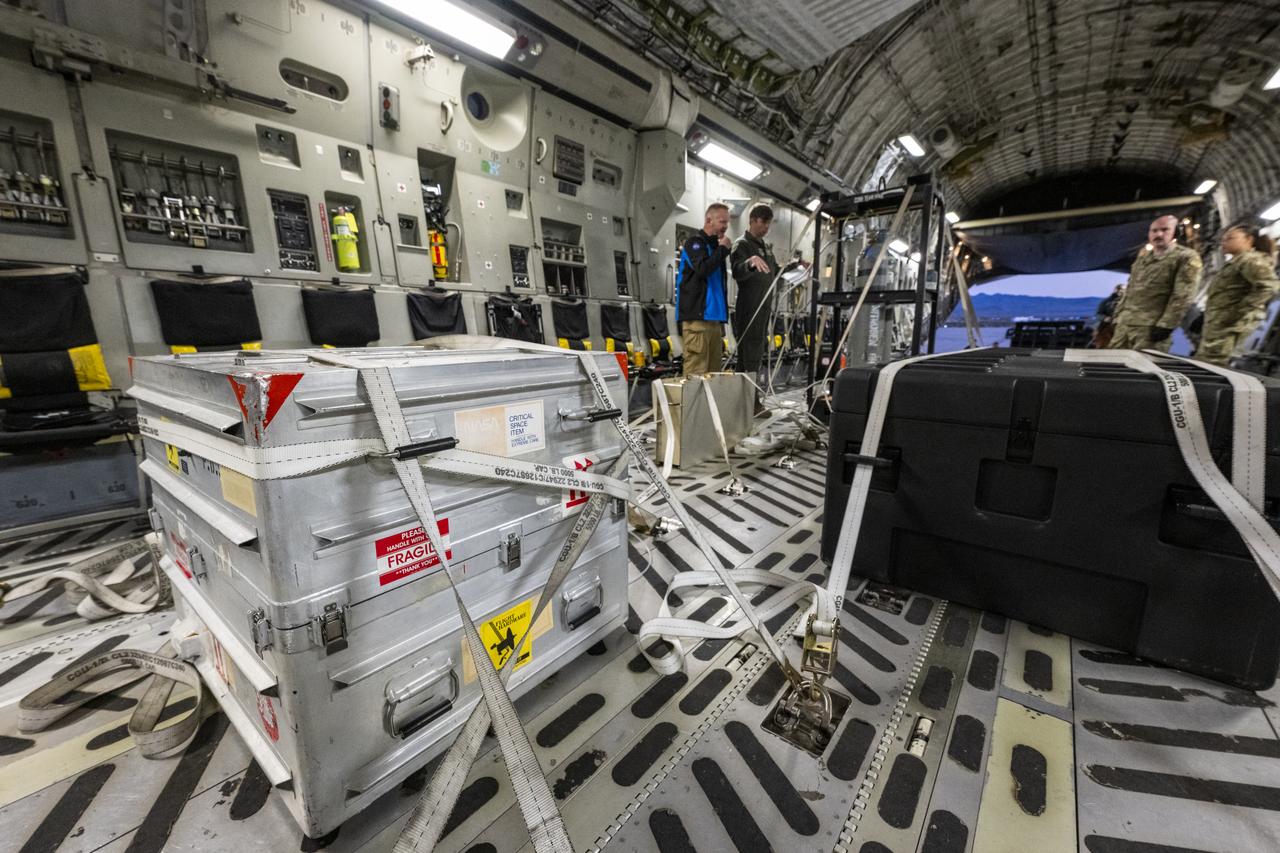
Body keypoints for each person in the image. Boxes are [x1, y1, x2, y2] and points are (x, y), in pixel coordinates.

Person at [1108, 215, 1202, 351]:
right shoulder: (1143, 259)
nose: (1158, 234)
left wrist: (1166, 325)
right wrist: (1117, 316)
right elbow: (1130, 290)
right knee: (1115, 362)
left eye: (1165, 230)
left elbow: (1183, 295)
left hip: (1151, 328)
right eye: (1154, 230)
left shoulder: (1185, 257)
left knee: (1145, 364)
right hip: (1124, 327)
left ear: (1176, 232)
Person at [1196, 223, 1279, 365]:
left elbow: (1269, 286)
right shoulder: (1237, 261)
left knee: (1216, 365)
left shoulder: (1250, 260)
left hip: (1231, 327)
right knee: (1208, 363)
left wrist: (1238, 311)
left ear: (1249, 240)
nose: (1224, 242)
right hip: (1221, 324)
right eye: (1223, 239)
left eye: (1230, 238)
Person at [676, 202, 731, 376]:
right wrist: (722, 249)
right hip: (697, 320)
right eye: (722, 222)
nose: (726, 226)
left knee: (714, 375)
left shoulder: (715, 248)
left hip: (714, 321)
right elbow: (703, 269)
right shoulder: (695, 244)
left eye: (727, 222)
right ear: (709, 220)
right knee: (696, 374)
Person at [730, 204, 780, 375]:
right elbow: (737, 271)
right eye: (763, 222)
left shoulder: (766, 248)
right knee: (748, 352)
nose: (766, 227)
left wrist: (796, 266)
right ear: (752, 220)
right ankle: (746, 388)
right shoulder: (742, 245)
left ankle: (752, 387)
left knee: (758, 350)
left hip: (764, 308)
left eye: (768, 223)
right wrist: (750, 262)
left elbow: (775, 270)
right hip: (749, 307)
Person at [1091, 283, 1125, 347]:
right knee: (1101, 335)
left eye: (1123, 290)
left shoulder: (1128, 302)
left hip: (1123, 324)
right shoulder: (1106, 302)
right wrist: (1104, 318)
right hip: (1108, 324)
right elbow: (1098, 314)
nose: (1121, 291)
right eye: (1120, 289)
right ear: (1116, 290)